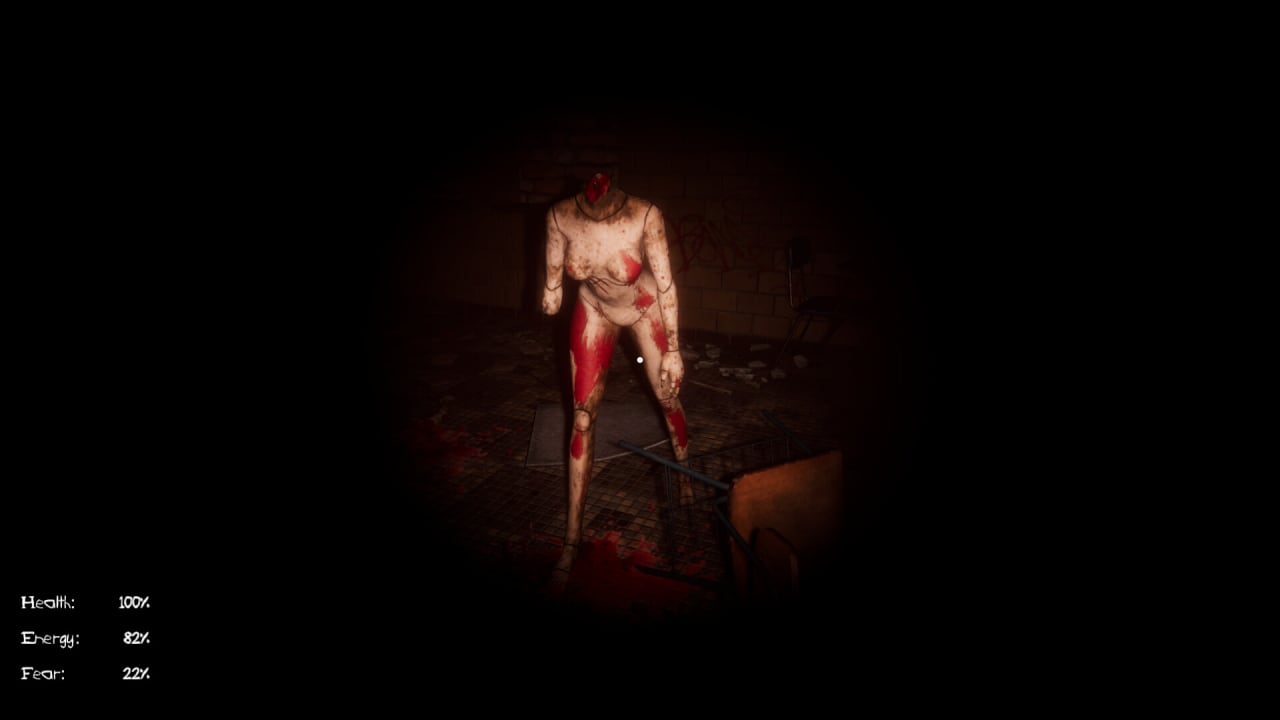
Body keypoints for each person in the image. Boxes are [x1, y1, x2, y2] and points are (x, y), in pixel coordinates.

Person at [542, 171, 690, 587]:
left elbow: (666, 285)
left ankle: (685, 473)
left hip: (644, 307)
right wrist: (551, 290)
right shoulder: (559, 216)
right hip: (595, 308)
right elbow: (552, 290)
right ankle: (572, 539)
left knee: (668, 398)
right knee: (582, 418)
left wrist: (673, 350)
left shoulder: (644, 214)